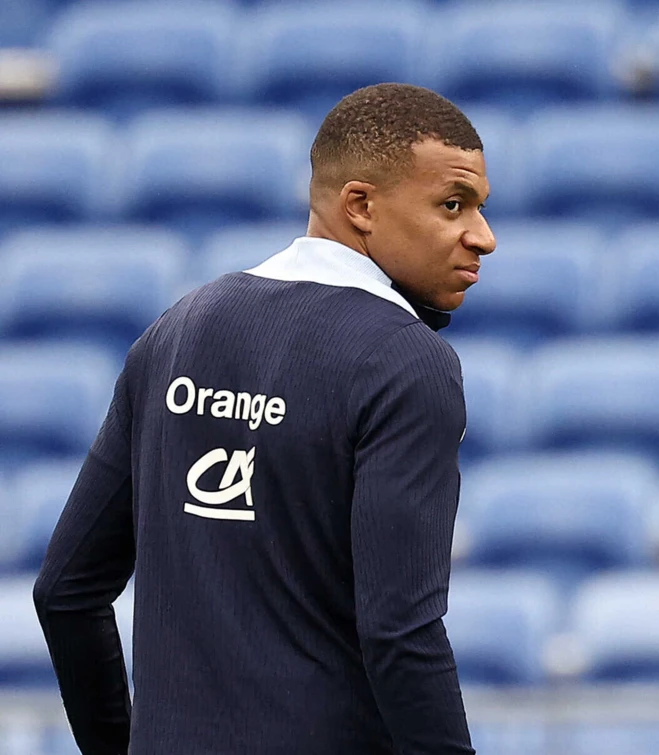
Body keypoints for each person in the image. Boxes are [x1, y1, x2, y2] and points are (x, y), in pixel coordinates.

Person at [32, 83, 495, 755]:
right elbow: (400, 631)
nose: (483, 237)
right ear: (360, 206)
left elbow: (66, 591)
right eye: (453, 205)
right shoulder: (407, 362)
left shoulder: (177, 330)